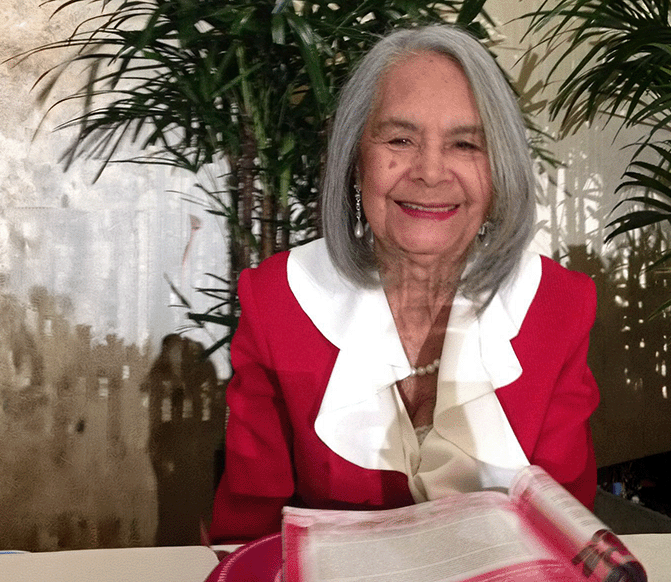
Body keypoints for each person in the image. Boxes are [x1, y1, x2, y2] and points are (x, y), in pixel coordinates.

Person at [208, 24, 600, 545]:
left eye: (464, 144)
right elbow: (249, 534)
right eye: (400, 140)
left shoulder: (558, 305)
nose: (431, 172)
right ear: (355, 161)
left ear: (498, 171)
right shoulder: (278, 301)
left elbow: (566, 530)